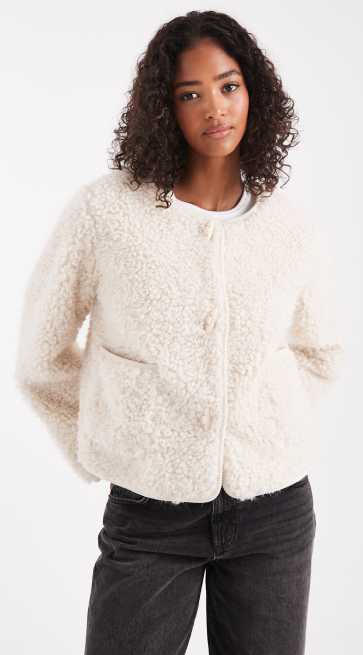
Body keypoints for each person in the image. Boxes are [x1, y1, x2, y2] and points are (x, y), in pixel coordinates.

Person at [14, 10, 344, 655]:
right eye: (189, 94)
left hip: (275, 513)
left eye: (228, 86)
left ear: (254, 92)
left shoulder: (289, 227)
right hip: (150, 512)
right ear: (163, 109)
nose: (214, 108)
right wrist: (112, 444)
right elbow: (40, 356)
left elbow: (319, 351)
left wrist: (265, 431)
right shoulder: (106, 213)